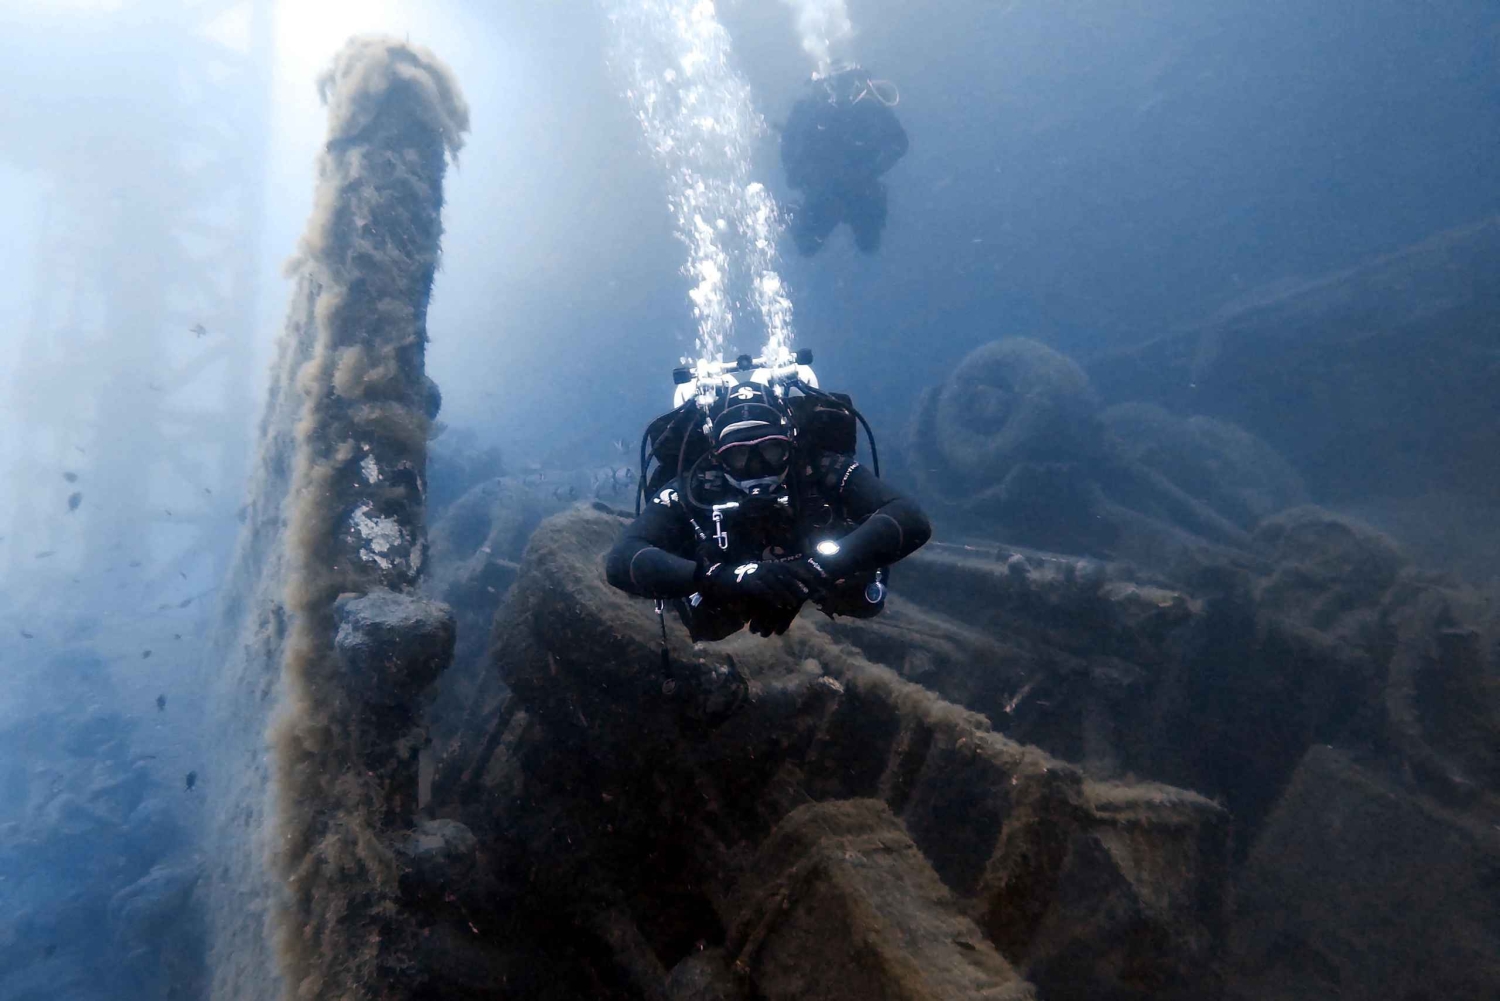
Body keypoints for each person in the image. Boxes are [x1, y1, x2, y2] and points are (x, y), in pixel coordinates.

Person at [606, 383, 931, 641]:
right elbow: (623, 559)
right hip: (724, 592)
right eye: (739, 456)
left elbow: (910, 518)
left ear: (790, 442)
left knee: (856, 596)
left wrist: (818, 569)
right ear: (717, 457)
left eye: (770, 449)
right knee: (707, 621)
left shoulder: (820, 469)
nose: (756, 466)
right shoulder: (694, 489)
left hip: (820, 572)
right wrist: (721, 579)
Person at [780, 65, 908, 256]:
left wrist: (870, 171)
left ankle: (792, 213)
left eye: (847, 83)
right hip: (826, 189)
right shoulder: (812, 110)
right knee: (807, 246)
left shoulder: (868, 107)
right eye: (837, 85)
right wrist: (800, 175)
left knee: (869, 245)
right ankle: (790, 212)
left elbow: (899, 144)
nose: (842, 93)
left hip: (858, 187)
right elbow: (791, 146)